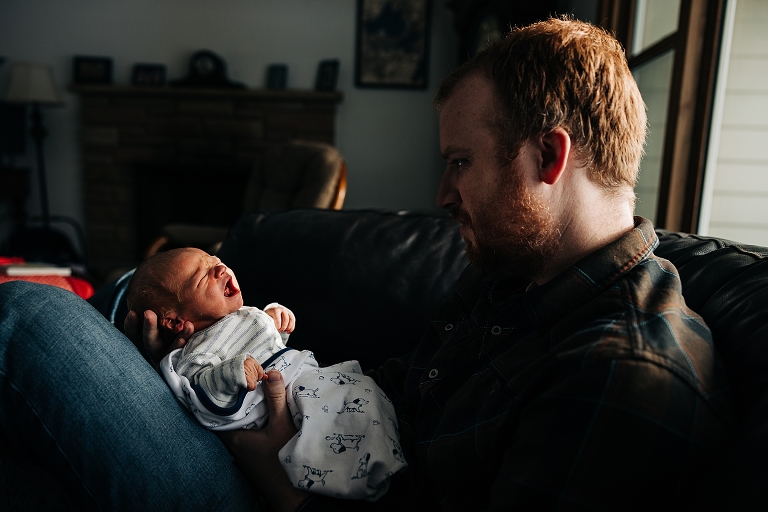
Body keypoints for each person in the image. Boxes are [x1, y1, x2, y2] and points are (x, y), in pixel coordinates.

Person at [0, 16, 733, 512]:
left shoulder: (622, 378)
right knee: (135, 289)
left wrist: (273, 469)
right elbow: (403, 392)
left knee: (26, 313)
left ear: (549, 156)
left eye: (458, 163)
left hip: (288, 491)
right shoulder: (519, 274)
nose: (441, 194)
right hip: (292, 436)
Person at [125, 247, 406, 501]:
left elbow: (268, 350)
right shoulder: (196, 351)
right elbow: (204, 394)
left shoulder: (238, 318)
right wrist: (231, 372)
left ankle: (374, 468)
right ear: (175, 321)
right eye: (203, 277)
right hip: (287, 402)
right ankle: (365, 476)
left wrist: (275, 323)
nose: (221, 269)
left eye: (217, 261)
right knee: (346, 416)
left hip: (305, 385)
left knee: (358, 401)